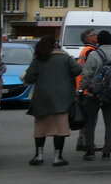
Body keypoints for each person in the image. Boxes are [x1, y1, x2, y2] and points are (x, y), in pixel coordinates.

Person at [22, 36, 82, 166]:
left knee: (40, 129)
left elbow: (29, 77)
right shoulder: (65, 58)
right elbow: (78, 69)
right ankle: (57, 157)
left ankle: (38, 156)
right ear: (55, 45)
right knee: (60, 129)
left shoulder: (38, 59)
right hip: (62, 99)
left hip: (41, 99)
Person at [80, 29, 111, 160]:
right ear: (110, 41)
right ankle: (107, 151)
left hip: (94, 94)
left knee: (90, 123)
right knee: (110, 123)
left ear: (99, 41)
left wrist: (81, 90)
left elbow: (86, 75)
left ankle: (90, 150)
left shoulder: (93, 55)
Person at [74, 29, 99, 152]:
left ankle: (81, 141)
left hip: (81, 88)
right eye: (93, 35)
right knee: (90, 120)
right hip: (87, 90)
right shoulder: (91, 51)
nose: (96, 36)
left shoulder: (85, 50)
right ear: (87, 38)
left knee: (85, 118)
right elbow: (90, 72)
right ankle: (87, 143)